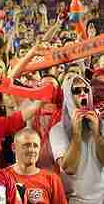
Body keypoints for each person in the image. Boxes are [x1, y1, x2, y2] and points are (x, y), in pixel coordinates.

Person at [49, 73, 104, 203]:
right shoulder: (58, 129)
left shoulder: (102, 124)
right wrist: (76, 134)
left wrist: (97, 134)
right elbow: (69, 168)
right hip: (75, 200)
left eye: (86, 90)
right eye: (76, 91)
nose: (82, 94)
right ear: (68, 97)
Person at [4, 128, 67, 204]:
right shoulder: (2, 177)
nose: (32, 150)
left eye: (36, 146)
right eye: (26, 145)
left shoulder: (52, 179)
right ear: (13, 147)